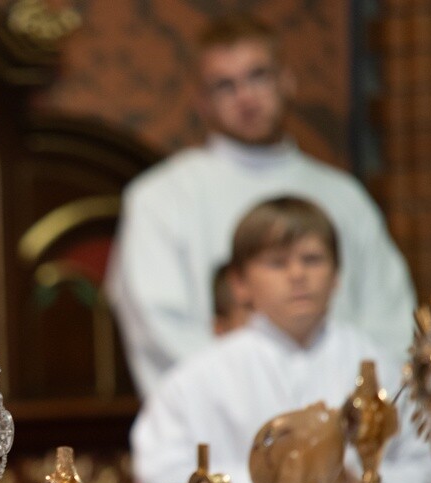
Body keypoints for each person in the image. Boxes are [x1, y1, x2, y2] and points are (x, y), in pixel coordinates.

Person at [106, 13, 415, 396]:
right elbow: (160, 330)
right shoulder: (159, 199)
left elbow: (390, 318)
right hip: (223, 422)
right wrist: (256, 401)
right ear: (201, 102)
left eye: (258, 76)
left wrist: (342, 405)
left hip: (343, 419)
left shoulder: (343, 196)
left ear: (287, 80)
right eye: (224, 86)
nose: (246, 98)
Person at [131, 196, 431, 483]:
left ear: (337, 275)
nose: (297, 275)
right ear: (240, 284)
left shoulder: (383, 368)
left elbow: (428, 473)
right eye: (277, 263)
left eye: (312, 259)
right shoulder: (194, 382)